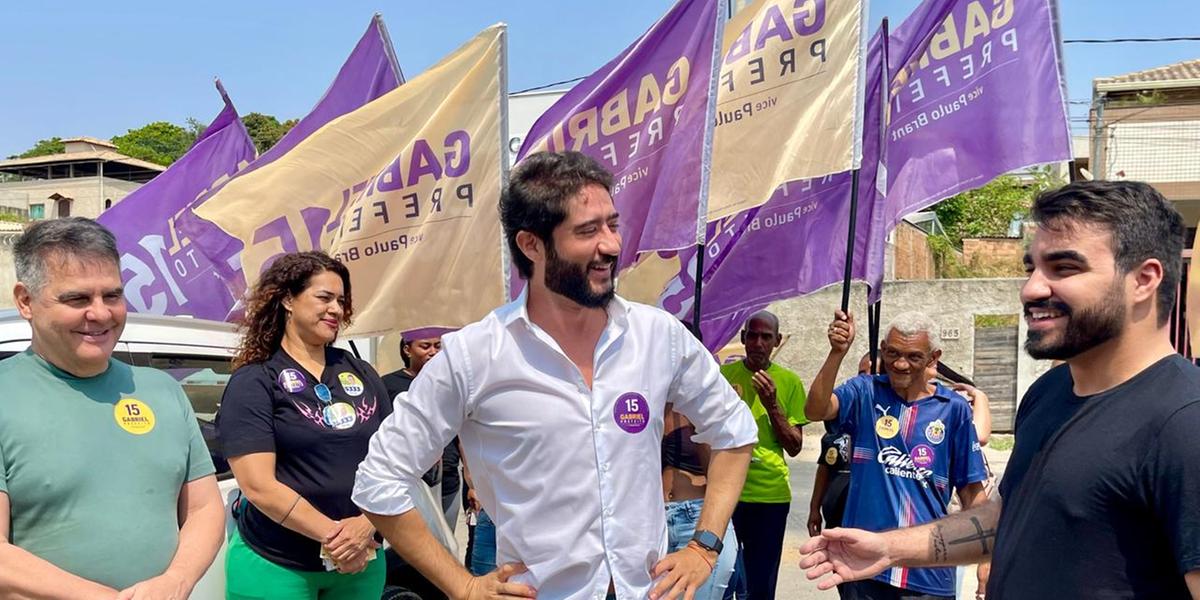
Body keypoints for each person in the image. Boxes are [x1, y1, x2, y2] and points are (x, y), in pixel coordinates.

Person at [352, 150, 757, 600]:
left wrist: (704, 547)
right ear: (532, 245)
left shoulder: (657, 335)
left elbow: (733, 433)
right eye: (587, 231)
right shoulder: (476, 354)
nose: (611, 245)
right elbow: (379, 480)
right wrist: (462, 586)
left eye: (612, 224)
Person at [799, 180, 1200, 599]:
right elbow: (1008, 516)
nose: (1031, 289)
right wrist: (889, 547)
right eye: (1032, 268)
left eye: (1063, 268)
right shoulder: (1048, 394)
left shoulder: (1185, 422)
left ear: (1144, 280)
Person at [0, 217, 224, 598]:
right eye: (77, 299)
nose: (101, 314)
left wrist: (177, 581)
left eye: (113, 295)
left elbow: (205, 509)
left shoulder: (162, 390)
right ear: (26, 301)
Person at [217, 251, 391, 599]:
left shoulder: (361, 372)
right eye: (324, 298)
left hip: (361, 561)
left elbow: (396, 460)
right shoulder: (256, 379)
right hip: (277, 565)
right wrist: (338, 540)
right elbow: (258, 485)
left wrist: (366, 526)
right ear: (287, 300)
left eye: (341, 301)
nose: (336, 310)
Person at [804, 311, 988, 600]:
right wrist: (837, 353)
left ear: (933, 358)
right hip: (864, 567)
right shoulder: (864, 392)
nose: (900, 364)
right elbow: (815, 410)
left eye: (913, 356)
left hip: (928, 572)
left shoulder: (953, 409)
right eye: (892, 354)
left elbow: (972, 492)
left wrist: (988, 561)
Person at [720, 311, 807, 600]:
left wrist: (772, 404)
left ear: (777, 341)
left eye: (766, 337)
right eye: (752, 335)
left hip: (770, 497)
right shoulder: (722, 377)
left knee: (760, 584)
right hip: (726, 493)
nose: (758, 343)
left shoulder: (789, 381)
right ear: (743, 338)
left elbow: (795, 446)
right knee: (722, 579)